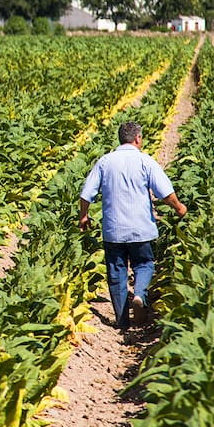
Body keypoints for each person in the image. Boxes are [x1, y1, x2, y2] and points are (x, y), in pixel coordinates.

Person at [78, 120, 187, 330]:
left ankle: (122, 322)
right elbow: (165, 192)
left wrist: (84, 216)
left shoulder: (105, 162)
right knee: (144, 264)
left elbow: (86, 193)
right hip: (141, 228)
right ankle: (138, 294)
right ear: (138, 138)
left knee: (116, 271)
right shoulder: (146, 161)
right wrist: (179, 208)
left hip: (113, 230)